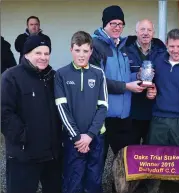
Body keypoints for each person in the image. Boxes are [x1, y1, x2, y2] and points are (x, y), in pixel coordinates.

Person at [1, 35, 62, 193]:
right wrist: (23, 137)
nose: (43, 57)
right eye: (38, 53)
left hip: (51, 156)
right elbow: (4, 113)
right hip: (24, 156)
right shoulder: (11, 77)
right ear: (26, 54)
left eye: (46, 53)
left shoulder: (53, 77)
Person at [89, 5, 146, 163]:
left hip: (123, 117)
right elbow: (96, 81)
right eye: (112, 23)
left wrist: (138, 76)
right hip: (103, 116)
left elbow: (124, 76)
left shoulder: (122, 47)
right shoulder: (95, 47)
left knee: (123, 163)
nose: (117, 27)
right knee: (97, 161)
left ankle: (119, 188)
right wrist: (126, 87)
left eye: (120, 24)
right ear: (104, 24)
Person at [54, 31, 108, 193]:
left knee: (94, 179)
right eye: (77, 50)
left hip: (95, 137)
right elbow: (62, 109)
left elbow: (103, 107)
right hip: (73, 139)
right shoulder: (61, 74)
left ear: (91, 51)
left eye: (85, 51)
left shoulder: (99, 73)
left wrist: (90, 135)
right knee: (73, 180)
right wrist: (78, 137)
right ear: (71, 49)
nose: (81, 55)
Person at [125, 19, 166, 144]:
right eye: (142, 29)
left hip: (153, 110)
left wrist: (155, 88)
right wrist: (136, 76)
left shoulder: (162, 52)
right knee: (132, 152)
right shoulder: (125, 51)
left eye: (149, 30)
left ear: (153, 33)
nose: (145, 33)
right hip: (132, 110)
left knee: (151, 154)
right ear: (136, 32)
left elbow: (165, 77)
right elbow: (120, 76)